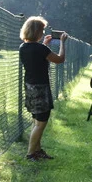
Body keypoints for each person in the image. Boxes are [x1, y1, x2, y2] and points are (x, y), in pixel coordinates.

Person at [19, 16, 67, 160]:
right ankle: (30, 153)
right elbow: (60, 59)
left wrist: (45, 44)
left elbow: (38, 57)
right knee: (41, 122)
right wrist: (62, 43)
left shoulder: (23, 47)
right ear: (37, 31)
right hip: (41, 88)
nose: (43, 32)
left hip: (30, 86)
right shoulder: (40, 48)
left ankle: (37, 150)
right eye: (42, 30)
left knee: (36, 119)